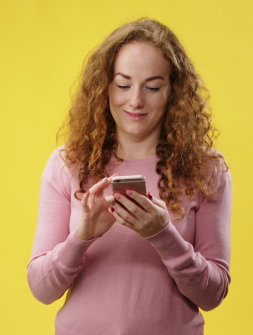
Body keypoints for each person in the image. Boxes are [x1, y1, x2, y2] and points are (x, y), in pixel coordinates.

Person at [27, 18, 232, 334]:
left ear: (173, 91)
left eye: (152, 87)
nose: (135, 101)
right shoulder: (67, 164)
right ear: (104, 86)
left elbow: (213, 294)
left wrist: (164, 235)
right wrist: (82, 237)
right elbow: (42, 290)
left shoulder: (206, 169)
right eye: (123, 85)